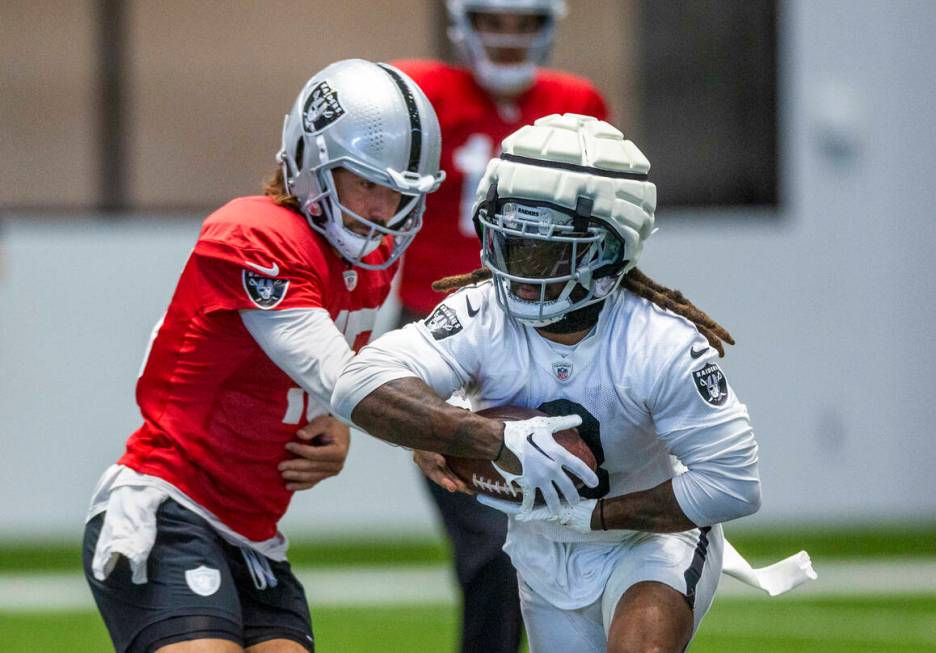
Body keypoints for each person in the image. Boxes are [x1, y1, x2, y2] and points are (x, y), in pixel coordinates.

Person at [331, 114, 762, 652]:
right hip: (540, 545)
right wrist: (476, 436)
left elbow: (733, 484)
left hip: (649, 538)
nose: (523, 267)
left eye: (548, 249)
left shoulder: (661, 343)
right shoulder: (482, 313)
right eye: (513, 242)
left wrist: (594, 515)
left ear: (610, 247)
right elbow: (358, 383)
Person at [82, 59, 444, 653]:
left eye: (400, 190)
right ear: (309, 164)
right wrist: (434, 434)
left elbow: (336, 379)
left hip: (255, 534)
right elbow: (342, 374)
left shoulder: (365, 262)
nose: (383, 210)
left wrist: (337, 421)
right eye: (367, 182)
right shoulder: (255, 235)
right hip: (169, 507)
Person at [391, 3, 607, 649]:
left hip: (550, 333)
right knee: (493, 541)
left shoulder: (577, 102)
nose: (508, 38)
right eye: (494, 20)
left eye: (522, 23)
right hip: (445, 336)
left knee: (580, 538)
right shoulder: (418, 94)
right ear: (462, 22)